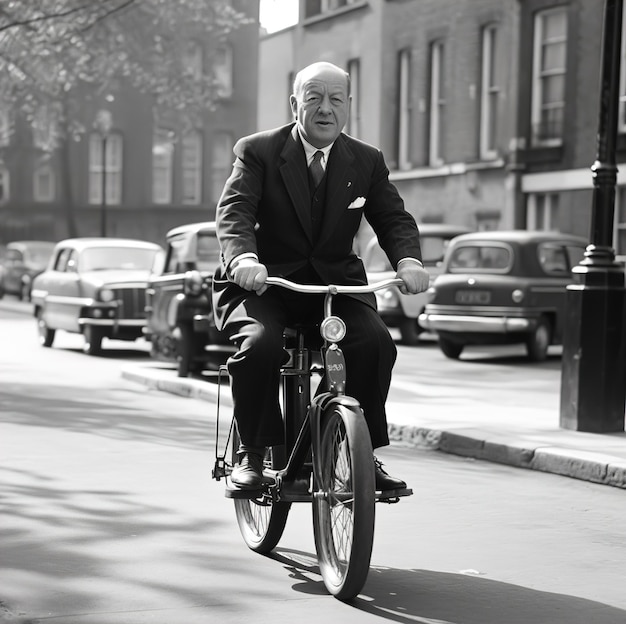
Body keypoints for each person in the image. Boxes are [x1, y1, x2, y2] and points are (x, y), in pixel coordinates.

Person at [213, 61, 429, 490]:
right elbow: (235, 212)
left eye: (336, 99)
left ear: (348, 106)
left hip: (333, 285)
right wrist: (243, 259)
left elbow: (393, 218)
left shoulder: (366, 160)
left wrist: (409, 261)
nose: (325, 108)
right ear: (295, 104)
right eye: (314, 97)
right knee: (259, 346)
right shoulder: (258, 151)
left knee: (376, 344)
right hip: (266, 284)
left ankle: (356, 451)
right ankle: (252, 453)